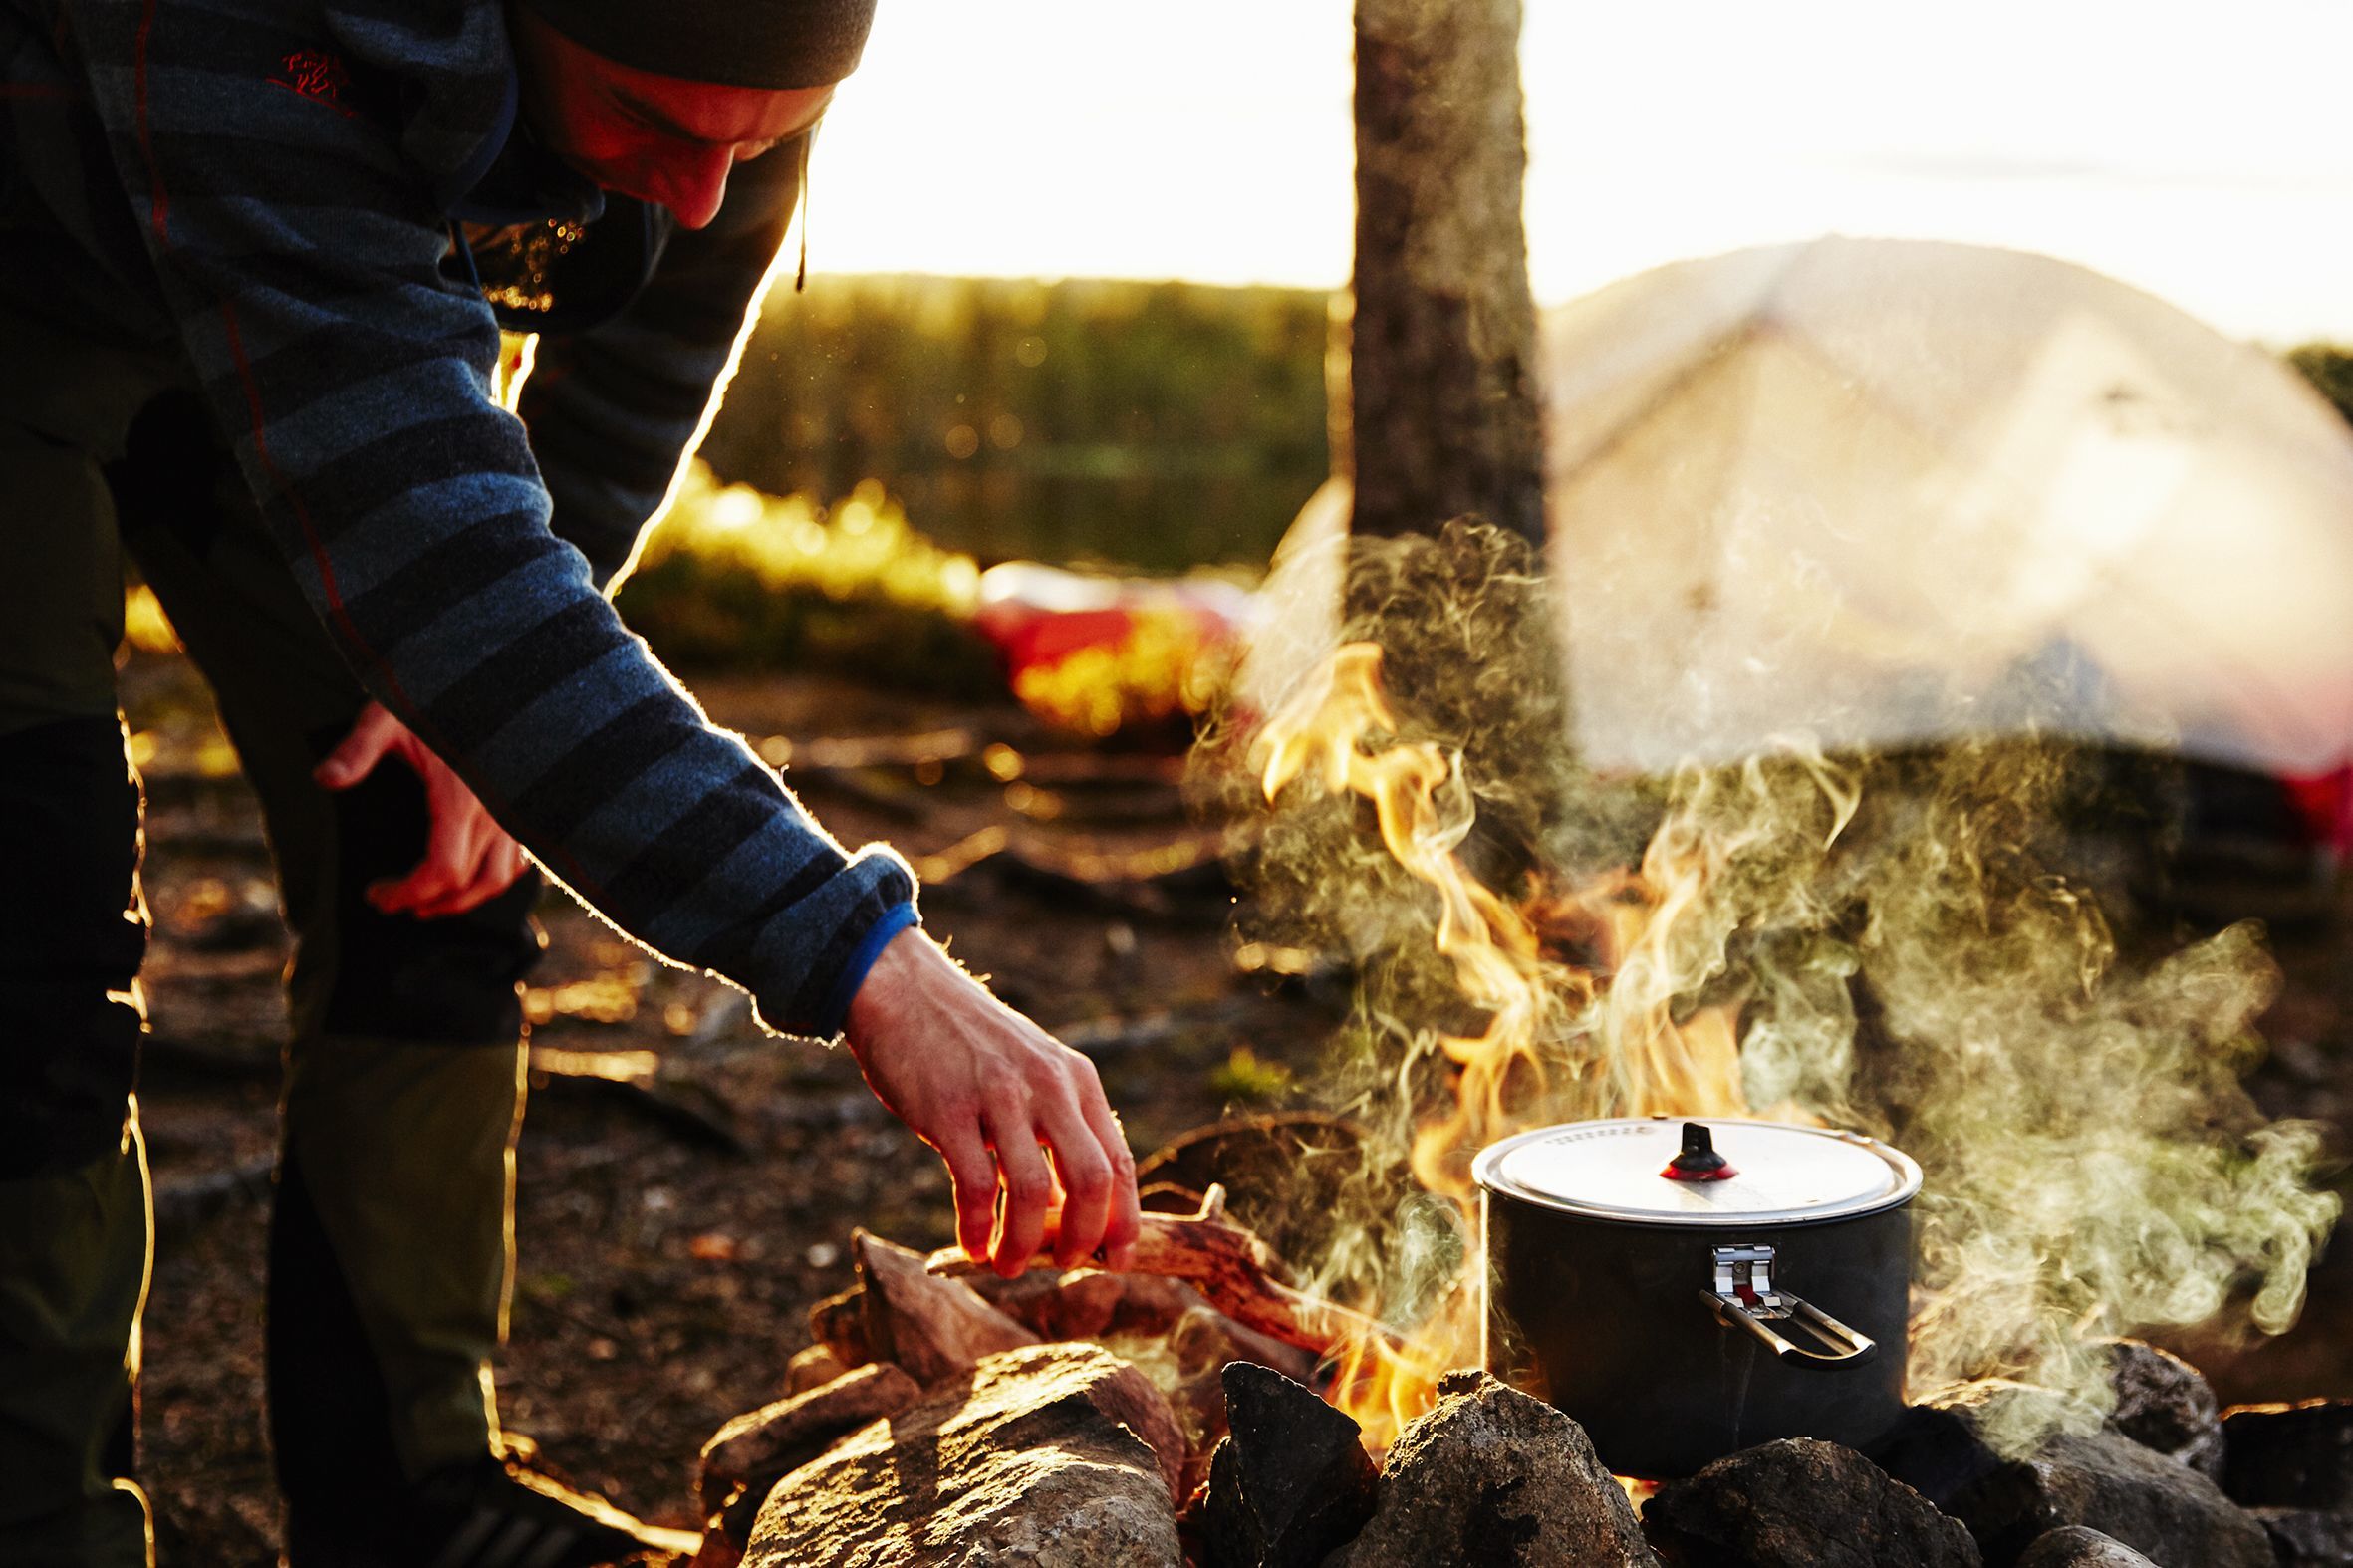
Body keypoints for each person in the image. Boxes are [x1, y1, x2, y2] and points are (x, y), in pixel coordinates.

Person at [0, 0, 1143, 1562]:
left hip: (309, 299)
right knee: (32, 920)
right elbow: (424, 535)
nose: (693, 192)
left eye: (755, 143)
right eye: (656, 127)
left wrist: (497, 686)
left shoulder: (721, 98)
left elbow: (634, 361)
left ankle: (411, 1494)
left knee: (432, 831)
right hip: (23, 261)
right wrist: (863, 952)